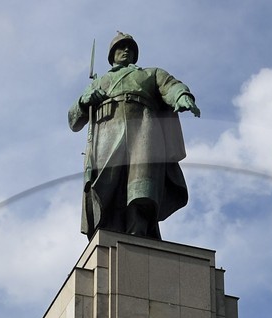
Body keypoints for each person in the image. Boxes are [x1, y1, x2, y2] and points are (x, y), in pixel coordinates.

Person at [67, 32, 200, 239]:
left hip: (144, 129)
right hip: (107, 132)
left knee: (142, 185)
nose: (126, 50)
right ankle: (108, 231)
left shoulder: (150, 73)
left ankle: (137, 232)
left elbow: (172, 86)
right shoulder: (99, 82)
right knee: (106, 186)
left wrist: (182, 96)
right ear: (112, 54)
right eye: (121, 47)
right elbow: (74, 119)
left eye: (130, 47)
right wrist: (85, 101)